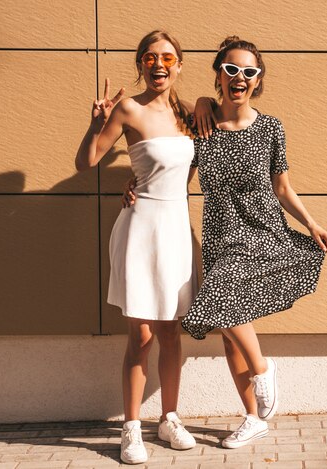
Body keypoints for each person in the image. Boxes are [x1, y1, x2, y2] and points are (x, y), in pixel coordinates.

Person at [186, 36, 327, 448]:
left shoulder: (270, 128)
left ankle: (263, 369)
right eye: (231, 69)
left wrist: (312, 223)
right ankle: (253, 417)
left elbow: (282, 188)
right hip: (220, 234)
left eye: (248, 72)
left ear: (258, 80)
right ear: (219, 73)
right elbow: (175, 169)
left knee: (222, 301)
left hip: (260, 232)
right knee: (229, 329)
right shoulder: (200, 124)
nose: (239, 78)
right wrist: (137, 185)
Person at [75, 30, 198, 464]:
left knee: (171, 331)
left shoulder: (190, 115)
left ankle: (169, 419)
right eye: (149, 57)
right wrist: (96, 122)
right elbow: (87, 161)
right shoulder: (128, 108)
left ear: (179, 64)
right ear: (141, 65)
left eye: (167, 57)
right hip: (141, 227)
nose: (158, 64)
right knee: (142, 335)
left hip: (176, 230)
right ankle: (131, 430)